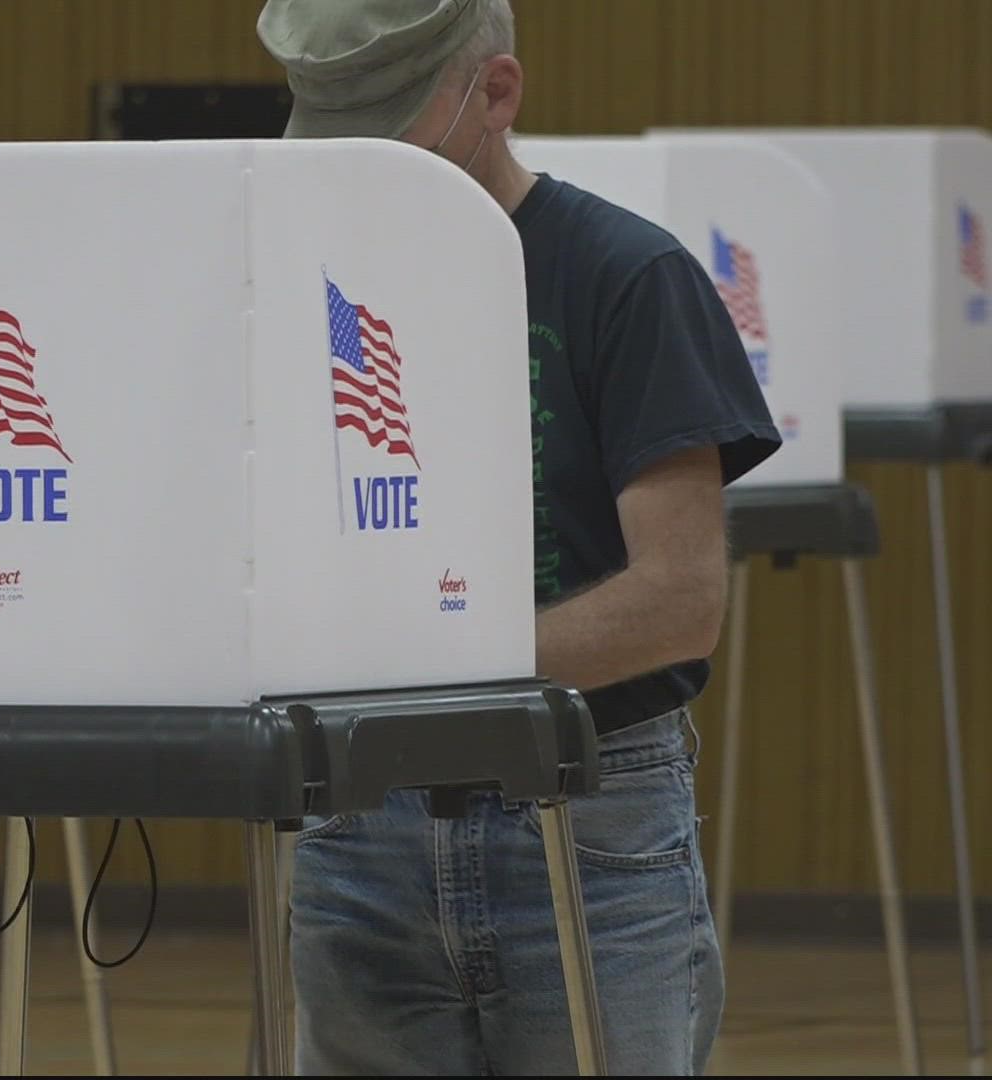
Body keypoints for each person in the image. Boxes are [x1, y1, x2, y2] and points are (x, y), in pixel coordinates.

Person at [256, 0, 782, 1073]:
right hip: (355, 819)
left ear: (496, 95)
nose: (357, 177)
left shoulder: (629, 277)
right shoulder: (291, 282)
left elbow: (681, 603)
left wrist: (429, 671)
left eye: (388, 138)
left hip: (588, 813)